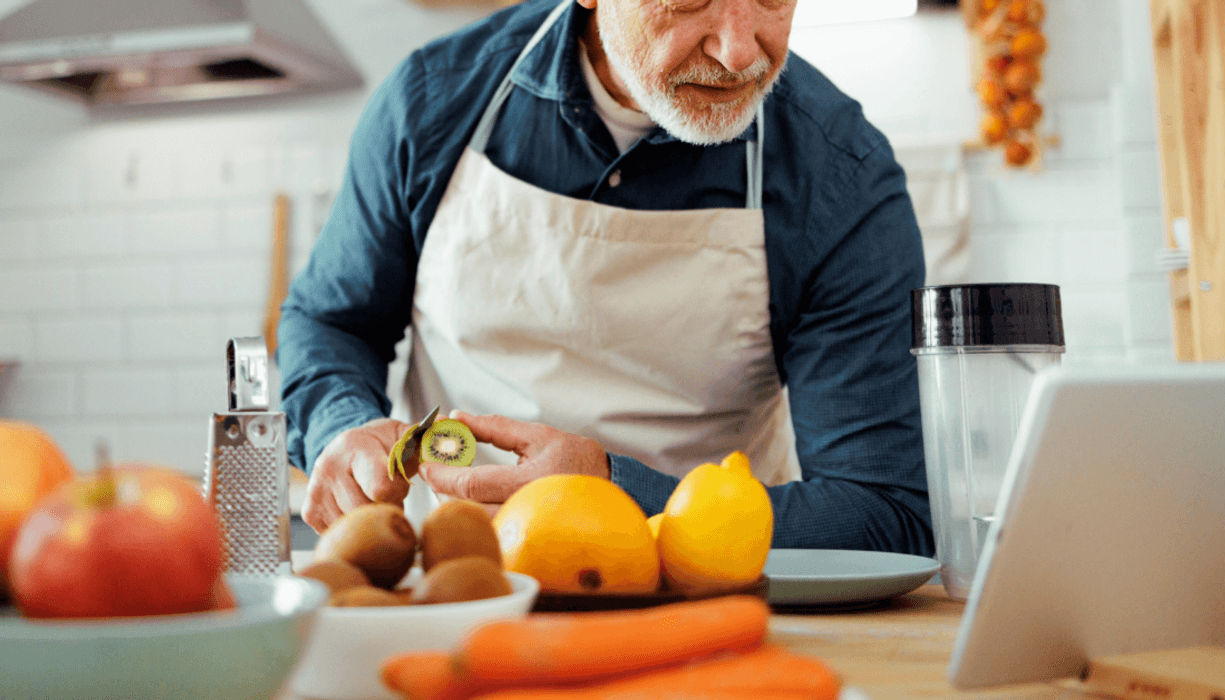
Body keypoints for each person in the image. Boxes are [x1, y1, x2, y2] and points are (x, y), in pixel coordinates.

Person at [277, 0, 935, 556]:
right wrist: (342, 426)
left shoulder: (837, 175)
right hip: (453, 583)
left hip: (706, 605)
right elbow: (332, 322)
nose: (738, 52)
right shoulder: (431, 102)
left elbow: (880, 512)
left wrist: (615, 488)